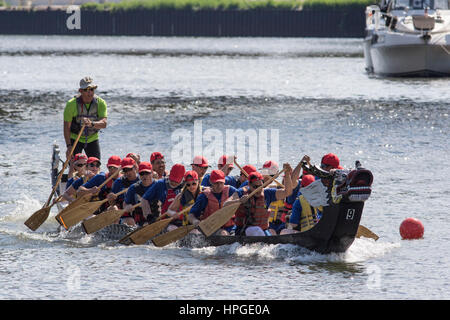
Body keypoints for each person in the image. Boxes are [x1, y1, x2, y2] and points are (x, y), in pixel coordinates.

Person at [224, 164, 293, 237]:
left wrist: (287, 174)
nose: (258, 189)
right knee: (257, 230)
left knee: (266, 236)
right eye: (255, 187)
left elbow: (287, 192)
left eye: (260, 186)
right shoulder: (241, 192)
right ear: (249, 185)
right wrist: (239, 201)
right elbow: (225, 205)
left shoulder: (267, 193)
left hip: (263, 230)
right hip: (244, 230)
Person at [63, 76, 107, 160]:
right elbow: (66, 127)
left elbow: (104, 124)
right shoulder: (71, 104)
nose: (90, 93)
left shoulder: (101, 103)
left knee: (95, 166)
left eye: (92, 89)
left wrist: (92, 124)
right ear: (80, 91)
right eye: (86, 90)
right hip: (75, 139)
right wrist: (69, 146)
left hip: (92, 139)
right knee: (74, 165)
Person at [188, 169, 239, 235]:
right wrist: (195, 221)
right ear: (211, 182)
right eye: (216, 183)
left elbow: (243, 192)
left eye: (221, 183)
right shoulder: (204, 196)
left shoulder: (231, 190)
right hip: (212, 229)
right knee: (223, 233)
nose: (219, 186)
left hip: (231, 227)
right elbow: (191, 215)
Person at [121, 162, 155, 226]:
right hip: (141, 222)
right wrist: (127, 207)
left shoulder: (159, 185)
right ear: (139, 174)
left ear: (152, 173)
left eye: (147, 173)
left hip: (158, 219)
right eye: (142, 174)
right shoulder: (134, 188)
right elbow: (125, 204)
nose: (144, 176)